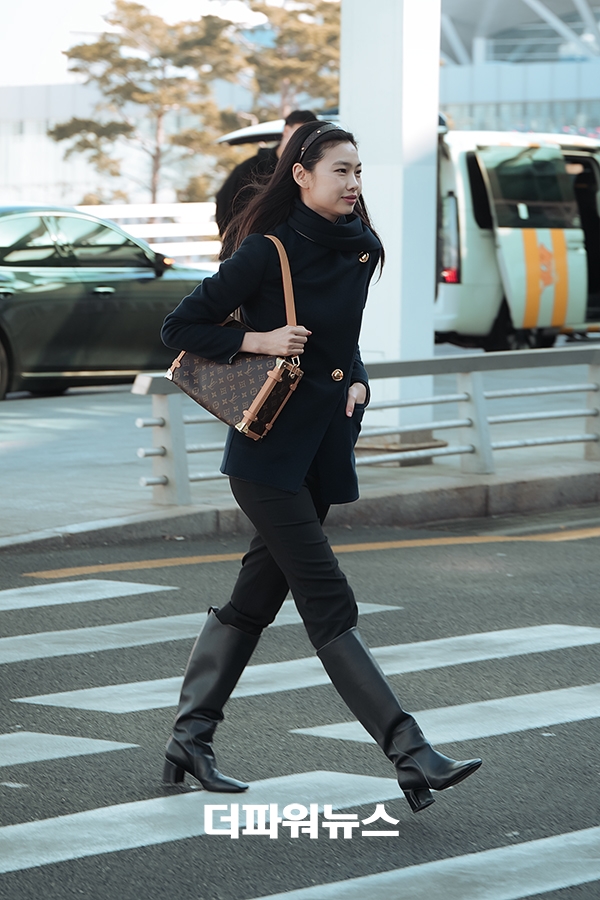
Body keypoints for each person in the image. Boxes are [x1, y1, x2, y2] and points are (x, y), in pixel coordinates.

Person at [161, 121, 482, 814]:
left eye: (358, 171)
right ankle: (409, 750)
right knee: (327, 598)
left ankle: (190, 737)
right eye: (341, 171)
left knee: (255, 601)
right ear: (302, 175)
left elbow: (346, 340)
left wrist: (358, 378)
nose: (354, 183)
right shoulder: (268, 250)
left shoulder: (361, 248)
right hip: (266, 457)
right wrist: (260, 338)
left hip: (321, 453)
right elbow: (180, 327)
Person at [215, 109, 318, 235]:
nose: (302, 141)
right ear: (286, 131)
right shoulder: (251, 167)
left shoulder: (309, 171)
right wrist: (233, 241)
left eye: (308, 137)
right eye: (298, 134)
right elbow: (224, 201)